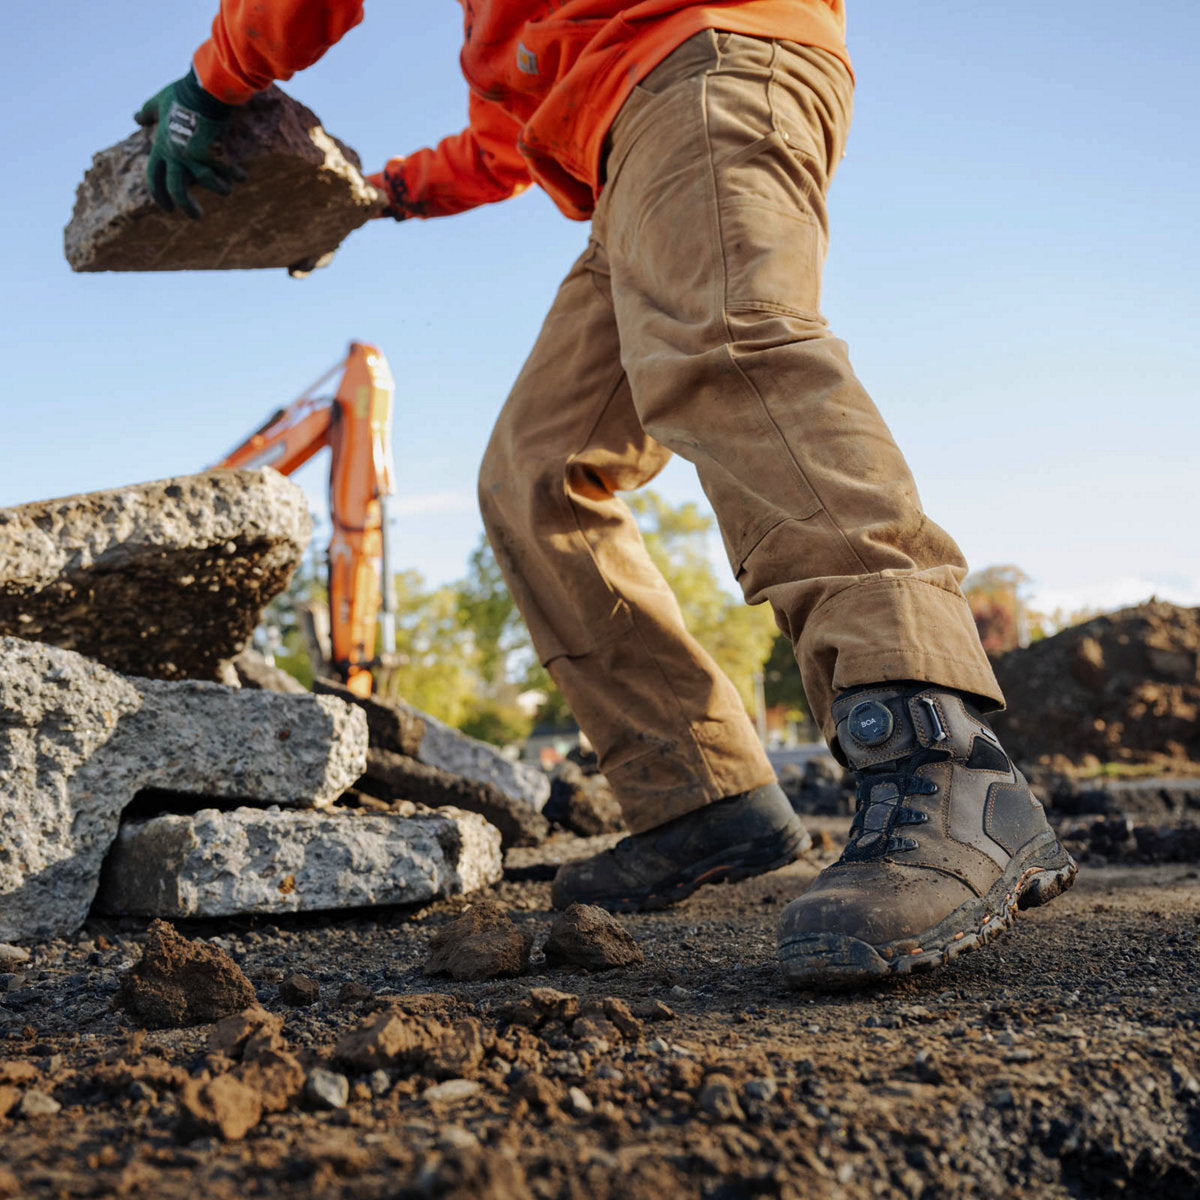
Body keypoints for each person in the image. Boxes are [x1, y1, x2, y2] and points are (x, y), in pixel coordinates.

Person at [134, 0, 1075, 987]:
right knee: (536, 474)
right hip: (623, 139)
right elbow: (505, 140)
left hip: (703, 53)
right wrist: (379, 194)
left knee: (732, 350)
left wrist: (214, 82)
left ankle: (939, 755)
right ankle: (700, 793)